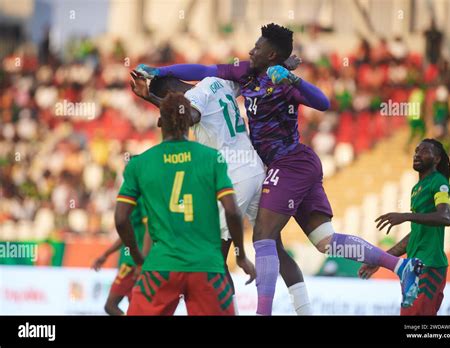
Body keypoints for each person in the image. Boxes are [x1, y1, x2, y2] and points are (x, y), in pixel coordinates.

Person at [136, 23, 423, 315]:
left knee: (252, 242)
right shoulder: (241, 77)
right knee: (322, 241)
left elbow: (322, 102)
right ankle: (399, 266)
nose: (250, 51)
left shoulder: (278, 83)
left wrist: (292, 78)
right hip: (279, 165)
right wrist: (161, 71)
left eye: (257, 48)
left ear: (270, 53)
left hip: (279, 166)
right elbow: (201, 70)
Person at [129, 63, 312, 314]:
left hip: (234, 179)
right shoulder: (219, 82)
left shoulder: (193, 98)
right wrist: (279, 64)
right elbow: (251, 75)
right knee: (274, 247)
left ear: (172, 94)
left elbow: (189, 116)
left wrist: (150, 96)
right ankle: (305, 310)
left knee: (215, 257)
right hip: (257, 171)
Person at [115, 92, 255, 315]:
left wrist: (137, 255)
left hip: (161, 265)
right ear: (189, 121)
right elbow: (232, 211)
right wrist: (240, 255)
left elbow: (121, 218)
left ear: (160, 122)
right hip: (207, 267)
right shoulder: (212, 158)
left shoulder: (139, 164)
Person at [359, 139, 450, 315]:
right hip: (412, 267)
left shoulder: (439, 182)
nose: (417, 153)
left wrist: (405, 216)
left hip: (430, 264)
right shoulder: (417, 188)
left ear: (437, 158)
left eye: (425, 151)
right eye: (416, 150)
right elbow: (415, 234)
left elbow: (445, 217)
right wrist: (380, 260)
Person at [92, 197, 149, 315]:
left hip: (134, 263)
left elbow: (148, 229)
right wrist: (106, 254)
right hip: (131, 261)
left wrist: (141, 262)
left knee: (111, 305)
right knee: (131, 307)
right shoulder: (134, 196)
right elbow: (126, 233)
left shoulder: (142, 197)